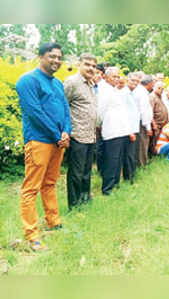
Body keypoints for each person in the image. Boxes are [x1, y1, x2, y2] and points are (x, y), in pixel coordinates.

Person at [16, 42, 71, 251]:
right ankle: (32, 235)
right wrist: (58, 135)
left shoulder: (57, 83)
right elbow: (35, 113)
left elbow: (66, 110)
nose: (56, 60)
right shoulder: (27, 81)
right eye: (52, 56)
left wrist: (66, 131)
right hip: (38, 140)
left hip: (58, 141)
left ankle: (53, 222)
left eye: (59, 57)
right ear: (40, 56)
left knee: (50, 183)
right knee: (31, 188)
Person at [64, 53, 97, 210]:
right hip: (77, 135)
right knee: (76, 173)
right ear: (79, 64)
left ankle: (85, 198)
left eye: (93, 66)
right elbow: (63, 107)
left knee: (86, 170)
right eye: (87, 64)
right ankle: (74, 204)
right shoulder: (72, 82)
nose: (91, 68)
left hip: (90, 135)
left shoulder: (90, 83)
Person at [97, 67, 137, 195]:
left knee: (118, 160)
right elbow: (101, 112)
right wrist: (102, 124)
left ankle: (115, 184)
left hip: (121, 131)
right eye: (113, 76)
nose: (116, 79)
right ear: (106, 77)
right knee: (112, 160)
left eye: (118, 76)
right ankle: (107, 188)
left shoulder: (115, 91)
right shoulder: (104, 91)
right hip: (112, 130)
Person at [120, 72, 141, 184]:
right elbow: (123, 114)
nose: (135, 83)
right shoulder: (124, 94)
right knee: (129, 155)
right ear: (127, 80)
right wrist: (129, 132)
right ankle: (128, 179)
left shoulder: (133, 93)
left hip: (134, 128)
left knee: (132, 154)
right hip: (128, 130)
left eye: (137, 81)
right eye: (133, 80)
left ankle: (131, 176)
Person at [133, 75, 154, 167]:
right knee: (143, 144)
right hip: (142, 123)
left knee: (141, 144)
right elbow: (144, 111)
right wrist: (148, 127)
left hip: (139, 122)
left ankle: (141, 163)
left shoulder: (139, 91)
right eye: (153, 83)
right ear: (149, 83)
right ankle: (142, 164)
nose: (153, 85)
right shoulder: (142, 93)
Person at [150, 81, 169, 155]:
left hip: (161, 125)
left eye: (162, 89)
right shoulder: (152, 97)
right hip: (156, 125)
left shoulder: (160, 97)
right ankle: (152, 156)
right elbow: (150, 112)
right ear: (154, 87)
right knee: (153, 142)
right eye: (159, 88)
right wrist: (153, 124)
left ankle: (157, 154)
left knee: (158, 141)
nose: (161, 90)